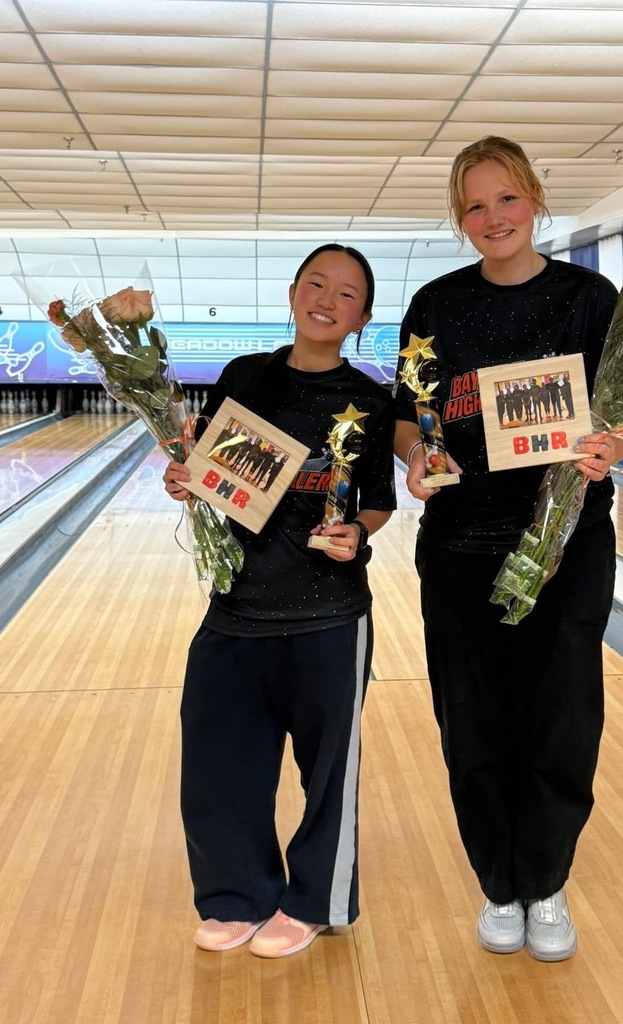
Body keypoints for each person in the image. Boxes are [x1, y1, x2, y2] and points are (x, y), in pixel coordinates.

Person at [393, 136, 623, 962]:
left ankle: (548, 879)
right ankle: (499, 884)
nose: (492, 217)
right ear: (459, 218)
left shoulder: (589, 298)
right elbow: (409, 412)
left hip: (567, 538)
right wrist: (418, 457)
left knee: (562, 716)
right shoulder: (434, 305)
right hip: (461, 541)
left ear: (532, 198)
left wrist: (612, 450)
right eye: (473, 204)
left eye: (506, 198)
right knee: (473, 720)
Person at [163, 244, 395, 958]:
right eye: (316, 283)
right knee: (218, 758)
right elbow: (211, 468)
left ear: (362, 316)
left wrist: (356, 531)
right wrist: (186, 477)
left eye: (346, 293)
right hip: (238, 604)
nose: (327, 299)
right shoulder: (245, 376)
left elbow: (379, 503)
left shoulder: (373, 399)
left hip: (328, 613)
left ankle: (315, 902)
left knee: (328, 771)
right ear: (294, 292)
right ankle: (236, 895)